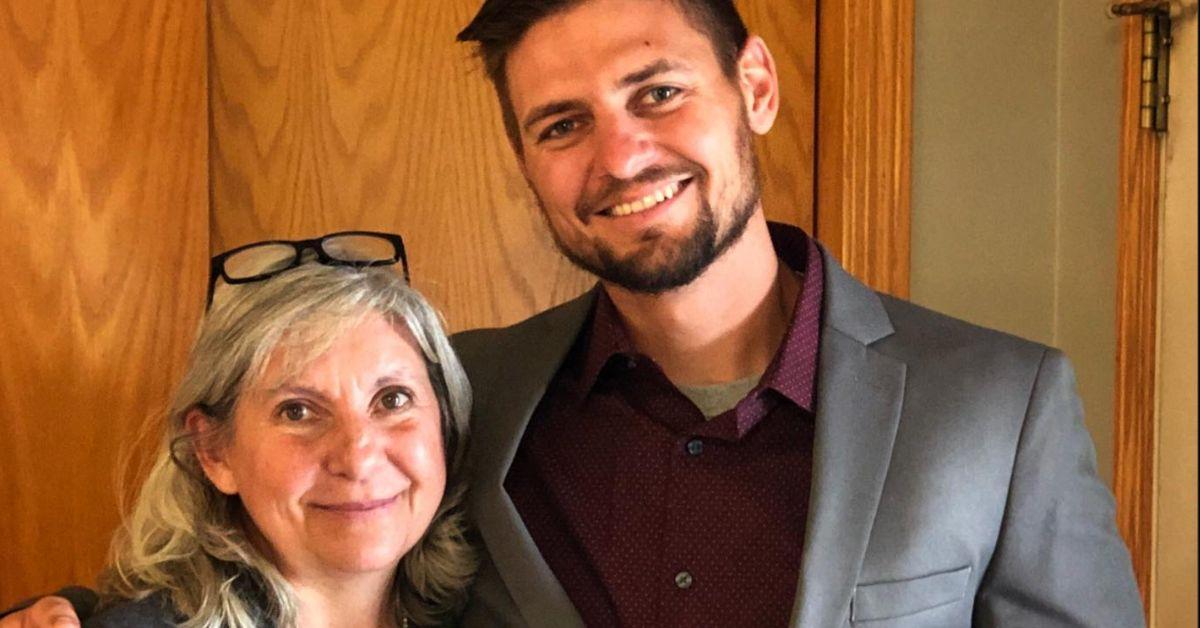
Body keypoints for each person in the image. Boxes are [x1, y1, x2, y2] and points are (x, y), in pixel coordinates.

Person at [4, 0, 1145, 626]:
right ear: (526, 159)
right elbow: (299, 540)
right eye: (561, 124)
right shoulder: (461, 399)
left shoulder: (1000, 400)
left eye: (657, 92)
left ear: (752, 85)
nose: (621, 154)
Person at [5, 233, 476, 627]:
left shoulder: (487, 605)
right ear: (214, 452)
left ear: (445, 422)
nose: (357, 456)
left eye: (392, 399)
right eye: (298, 411)